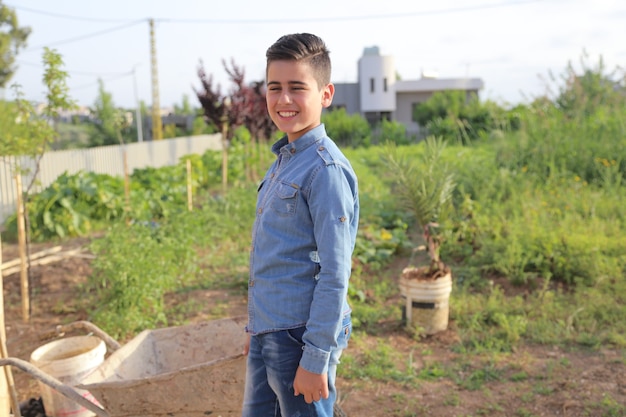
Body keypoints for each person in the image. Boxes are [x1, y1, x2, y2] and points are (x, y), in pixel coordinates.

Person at [242, 33, 360, 417]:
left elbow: (335, 272)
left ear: (326, 94)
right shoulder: (285, 160)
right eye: (275, 88)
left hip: (299, 336)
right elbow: (276, 256)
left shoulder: (325, 171)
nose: (284, 99)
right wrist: (255, 329)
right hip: (270, 330)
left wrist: (315, 358)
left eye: (297, 87)